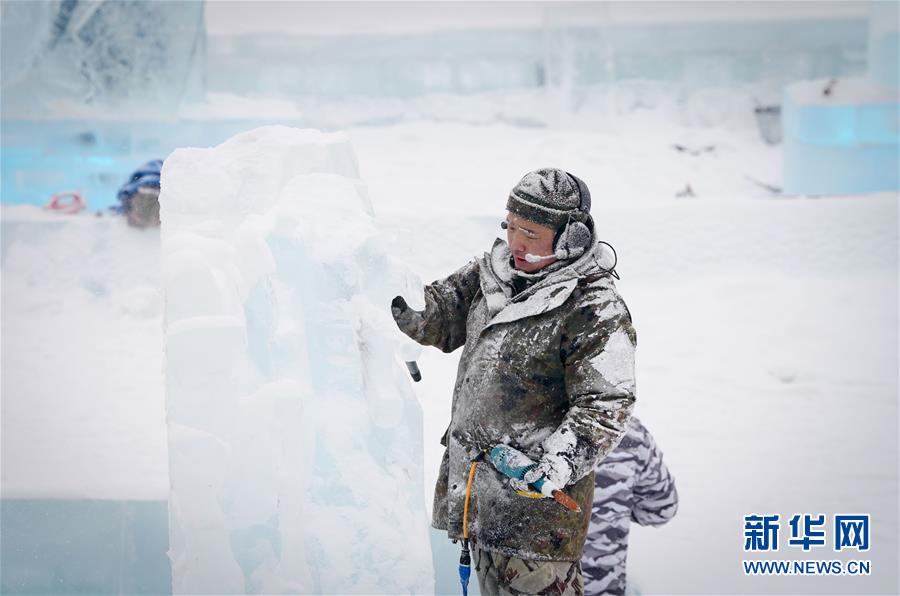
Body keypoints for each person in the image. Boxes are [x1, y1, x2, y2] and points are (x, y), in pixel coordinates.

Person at [391, 168, 637, 596]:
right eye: (510, 226)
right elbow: (439, 318)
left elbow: (605, 404)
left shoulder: (595, 308)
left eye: (531, 232)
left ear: (570, 240)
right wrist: (392, 295)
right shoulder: (491, 274)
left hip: (535, 523)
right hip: (475, 500)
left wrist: (555, 466)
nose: (516, 242)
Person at [582, 416, 678, 595]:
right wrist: (616, 510)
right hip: (602, 587)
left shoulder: (519, 434)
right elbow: (662, 508)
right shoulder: (629, 433)